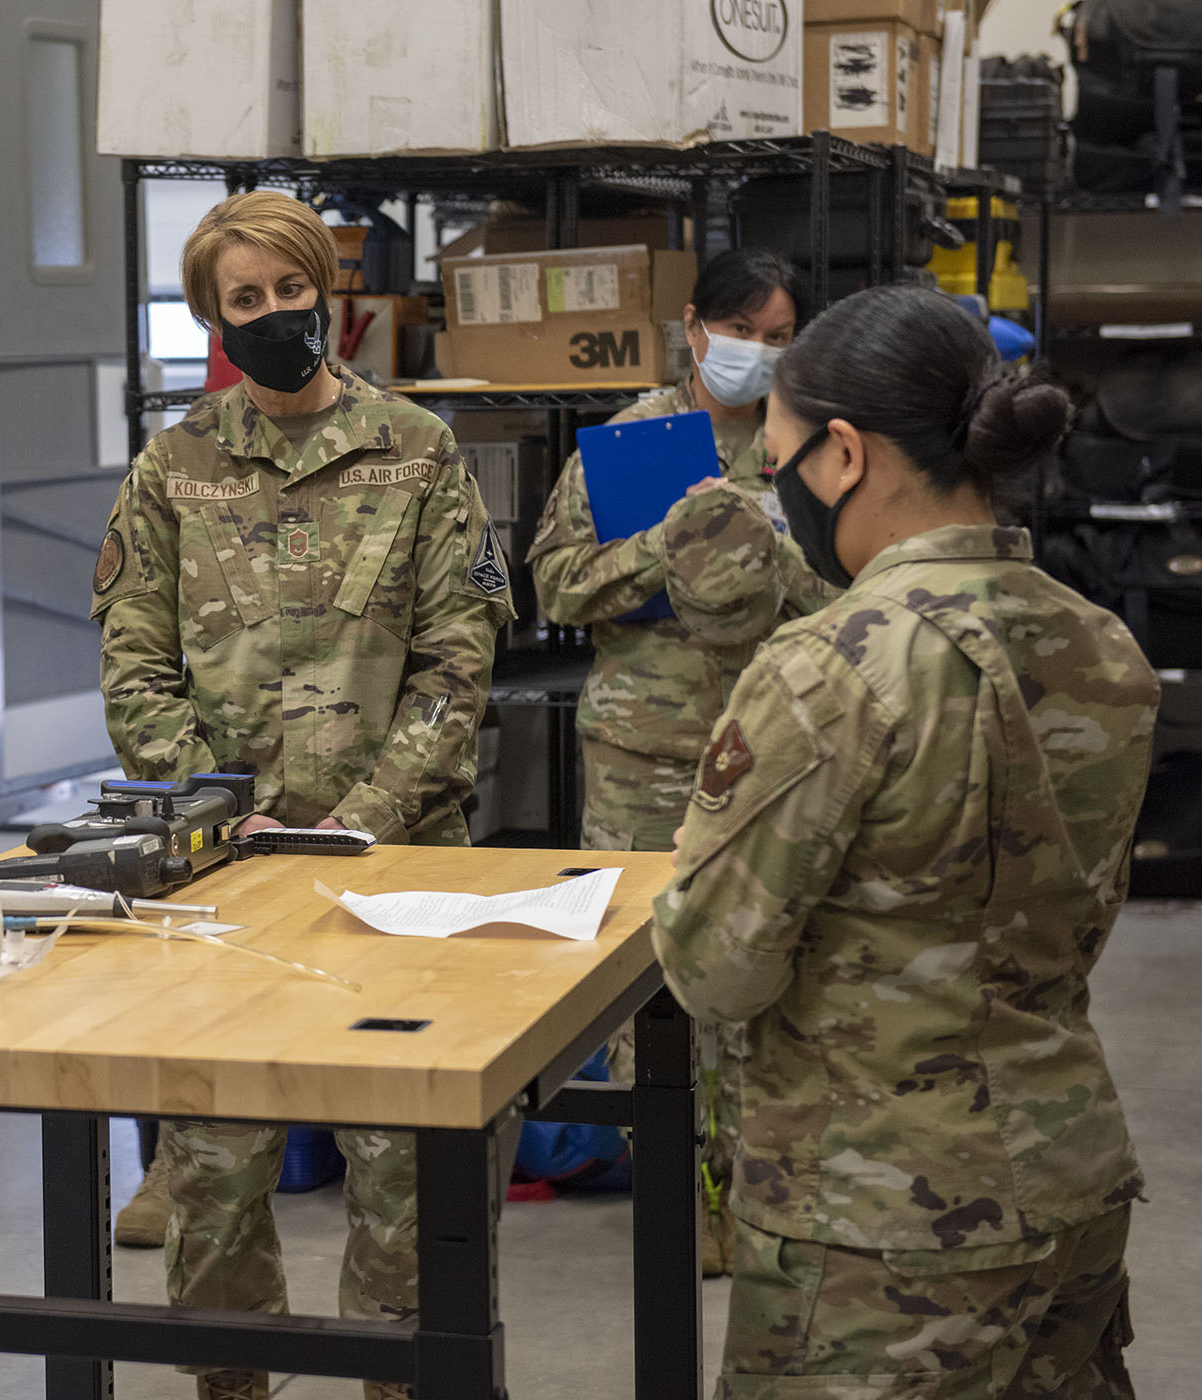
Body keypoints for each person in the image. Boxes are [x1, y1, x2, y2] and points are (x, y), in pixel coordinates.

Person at [653, 284, 1155, 1396]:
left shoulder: (828, 666)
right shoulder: (1100, 644)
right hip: (1069, 1176)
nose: (777, 490)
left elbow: (716, 970)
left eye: (778, 461)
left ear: (842, 454)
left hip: (881, 1222)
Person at [93, 190, 512, 1400]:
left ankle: (407, 1382)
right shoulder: (173, 468)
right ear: (212, 319)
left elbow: (457, 661)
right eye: (248, 297)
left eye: (292, 288)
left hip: (400, 870)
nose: (276, 311)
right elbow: (135, 666)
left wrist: (358, 818)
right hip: (225, 878)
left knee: (411, 1176)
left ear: (326, 293)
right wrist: (227, 813)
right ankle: (233, 1383)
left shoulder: (418, 449)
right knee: (215, 1179)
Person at [526, 248, 830, 1271]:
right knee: (645, 975)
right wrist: (672, 541)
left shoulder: (816, 447)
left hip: (779, 746)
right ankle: (681, 1188)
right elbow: (556, 585)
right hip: (644, 751)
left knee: (770, 966)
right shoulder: (632, 443)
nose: (760, 353)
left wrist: (757, 548)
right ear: (696, 327)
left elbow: (853, 595)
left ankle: (757, 1188)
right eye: (745, 331)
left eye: (782, 336)